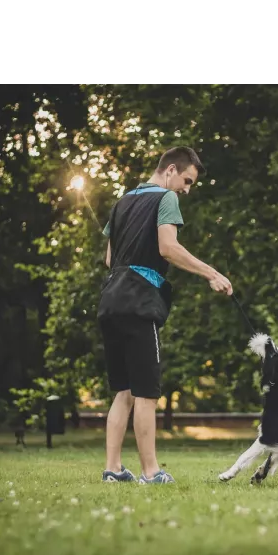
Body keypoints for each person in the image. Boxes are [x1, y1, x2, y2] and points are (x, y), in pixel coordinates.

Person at [98, 146, 233, 484]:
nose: (186, 189)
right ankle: (151, 472)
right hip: (140, 303)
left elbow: (108, 258)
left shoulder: (122, 202)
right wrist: (211, 273)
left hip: (111, 301)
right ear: (170, 170)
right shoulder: (165, 199)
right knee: (146, 392)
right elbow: (168, 248)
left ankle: (113, 470)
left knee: (124, 391)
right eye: (187, 181)